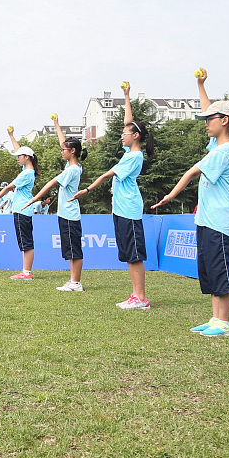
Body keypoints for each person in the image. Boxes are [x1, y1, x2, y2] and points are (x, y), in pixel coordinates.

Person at [151, 68, 229, 337]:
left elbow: (191, 172)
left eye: (210, 120)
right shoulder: (216, 146)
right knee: (211, 270)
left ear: (225, 121)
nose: (205, 123)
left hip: (218, 219)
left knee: (222, 270)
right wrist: (201, 85)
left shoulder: (224, 151)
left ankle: (225, 323)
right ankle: (216, 319)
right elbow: (209, 110)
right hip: (206, 218)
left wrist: (171, 195)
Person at [71, 81, 153, 310]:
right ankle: (135, 295)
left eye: (125, 134)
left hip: (129, 210)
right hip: (120, 208)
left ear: (136, 136)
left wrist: (87, 189)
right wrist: (126, 96)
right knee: (128, 254)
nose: (122, 136)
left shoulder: (135, 156)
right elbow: (129, 122)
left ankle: (141, 298)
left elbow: (108, 174)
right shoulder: (129, 151)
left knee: (134, 254)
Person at [25, 115, 86, 291]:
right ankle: (73, 280)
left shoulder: (72, 170)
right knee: (70, 250)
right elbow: (63, 142)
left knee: (74, 250)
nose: (61, 151)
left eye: (64, 150)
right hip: (66, 214)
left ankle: (76, 283)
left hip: (70, 215)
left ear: (72, 151)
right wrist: (57, 124)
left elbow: (51, 183)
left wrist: (34, 198)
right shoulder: (73, 166)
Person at [0, 126, 39, 280]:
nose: (17, 158)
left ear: (26, 157)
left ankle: (26, 273)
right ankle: (25, 271)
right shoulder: (28, 170)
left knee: (26, 243)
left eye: (19, 157)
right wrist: (11, 135)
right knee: (25, 242)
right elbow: (19, 149)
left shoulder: (26, 174)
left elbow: (8, 188)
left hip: (22, 211)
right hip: (23, 211)